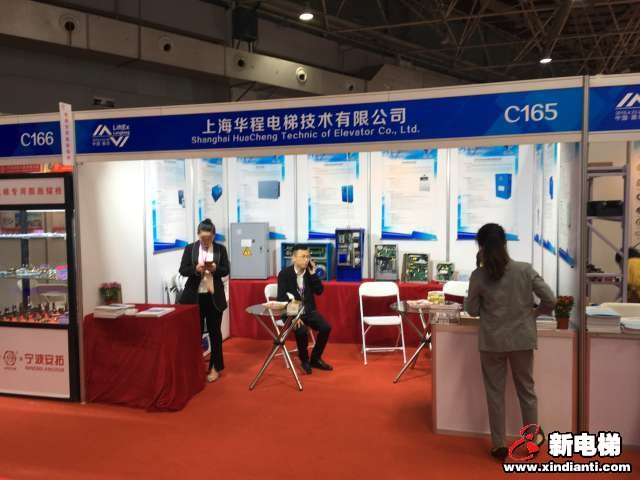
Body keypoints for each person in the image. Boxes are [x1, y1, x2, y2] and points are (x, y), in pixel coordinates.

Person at [464, 223, 556, 461]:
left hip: (492, 341)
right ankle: (531, 440)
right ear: (505, 243)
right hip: (522, 339)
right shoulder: (525, 270)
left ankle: (499, 445)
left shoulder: (478, 275)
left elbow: (471, 310)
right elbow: (550, 299)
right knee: (526, 391)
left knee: (495, 393)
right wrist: (532, 314)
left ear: (480, 246)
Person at [179, 219, 230, 383]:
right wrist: (195, 269)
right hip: (194, 297)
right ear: (198, 235)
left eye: (209, 238)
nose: (206, 242)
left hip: (213, 297)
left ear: (213, 236)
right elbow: (182, 270)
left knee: (215, 333)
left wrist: (215, 269)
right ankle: (194, 367)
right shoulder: (190, 249)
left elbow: (226, 270)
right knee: (195, 333)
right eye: (203, 238)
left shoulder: (220, 249)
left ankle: (215, 367)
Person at [277, 245, 333, 374]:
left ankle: (315, 358)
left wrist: (313, 274)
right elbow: (282, 298)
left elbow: (319, 291)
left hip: (308, 310)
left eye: (308, 256)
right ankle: (304, 360)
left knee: (326, 327)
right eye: (303, 256)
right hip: (291, 312)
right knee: (301, 330)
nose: (306, 259)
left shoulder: (309, 272)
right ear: (294, 258)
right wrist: (293, 316)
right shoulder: (284, 274)